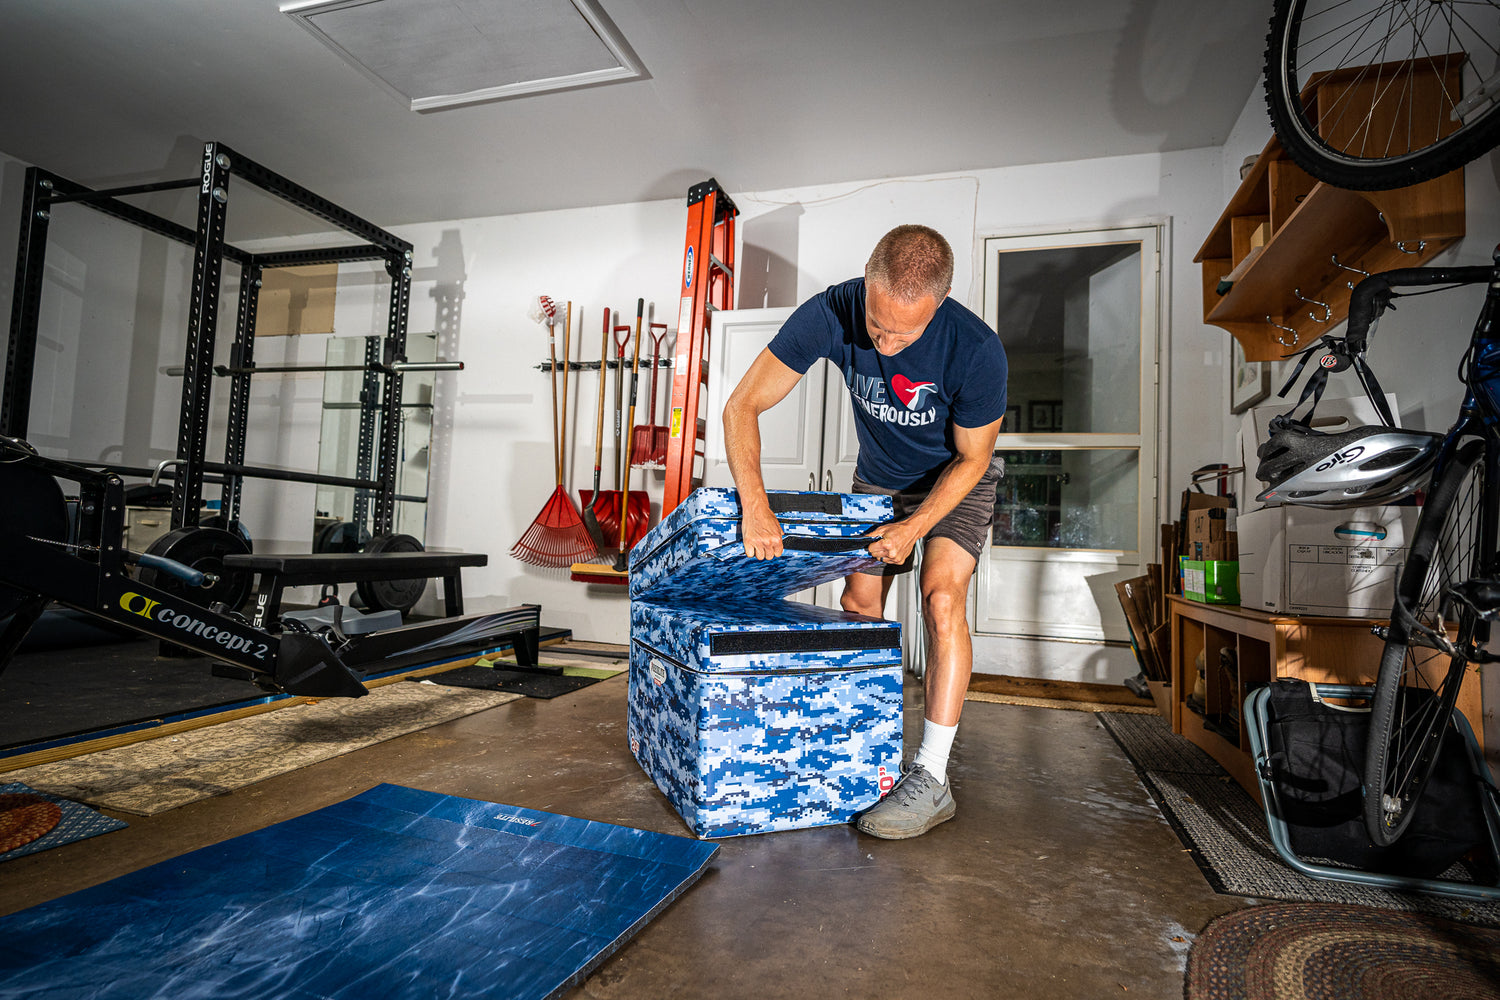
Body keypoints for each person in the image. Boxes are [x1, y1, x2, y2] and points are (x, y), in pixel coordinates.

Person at [722, 224, 1008, 839]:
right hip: (879, 478)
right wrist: (755, 503)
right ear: (868, 287)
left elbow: (974, 459)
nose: (885, 343)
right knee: (858, 603)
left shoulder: (976, 349)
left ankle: (931, 776)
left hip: (955, 479)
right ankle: (857, 739)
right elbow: (741, 405)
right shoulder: (832, 310)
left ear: (940, 303)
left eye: (904, 334)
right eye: (877, 326)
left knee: (941, 598)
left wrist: (916, 526)